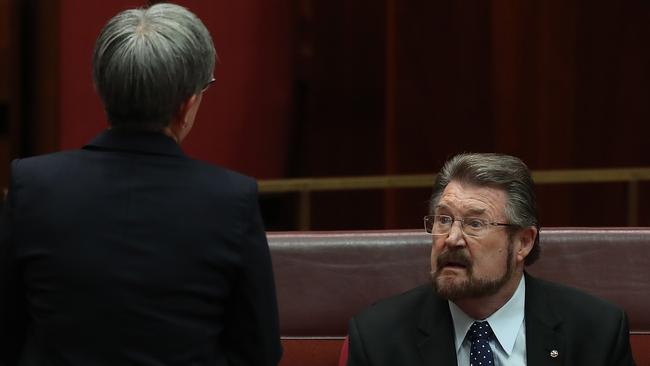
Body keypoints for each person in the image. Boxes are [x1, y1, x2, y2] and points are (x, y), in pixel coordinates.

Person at [0, 3, 282, 365]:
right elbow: (260, 351)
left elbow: (7, 334)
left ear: (102, 89)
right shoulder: (232, 201)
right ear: (187, 105)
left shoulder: (32, 185)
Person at [347, 153, 635, 365]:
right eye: (444, 220)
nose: (452, 238)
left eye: (475, 224)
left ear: (523, 242)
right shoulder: (379, 338)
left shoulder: (596, 331)